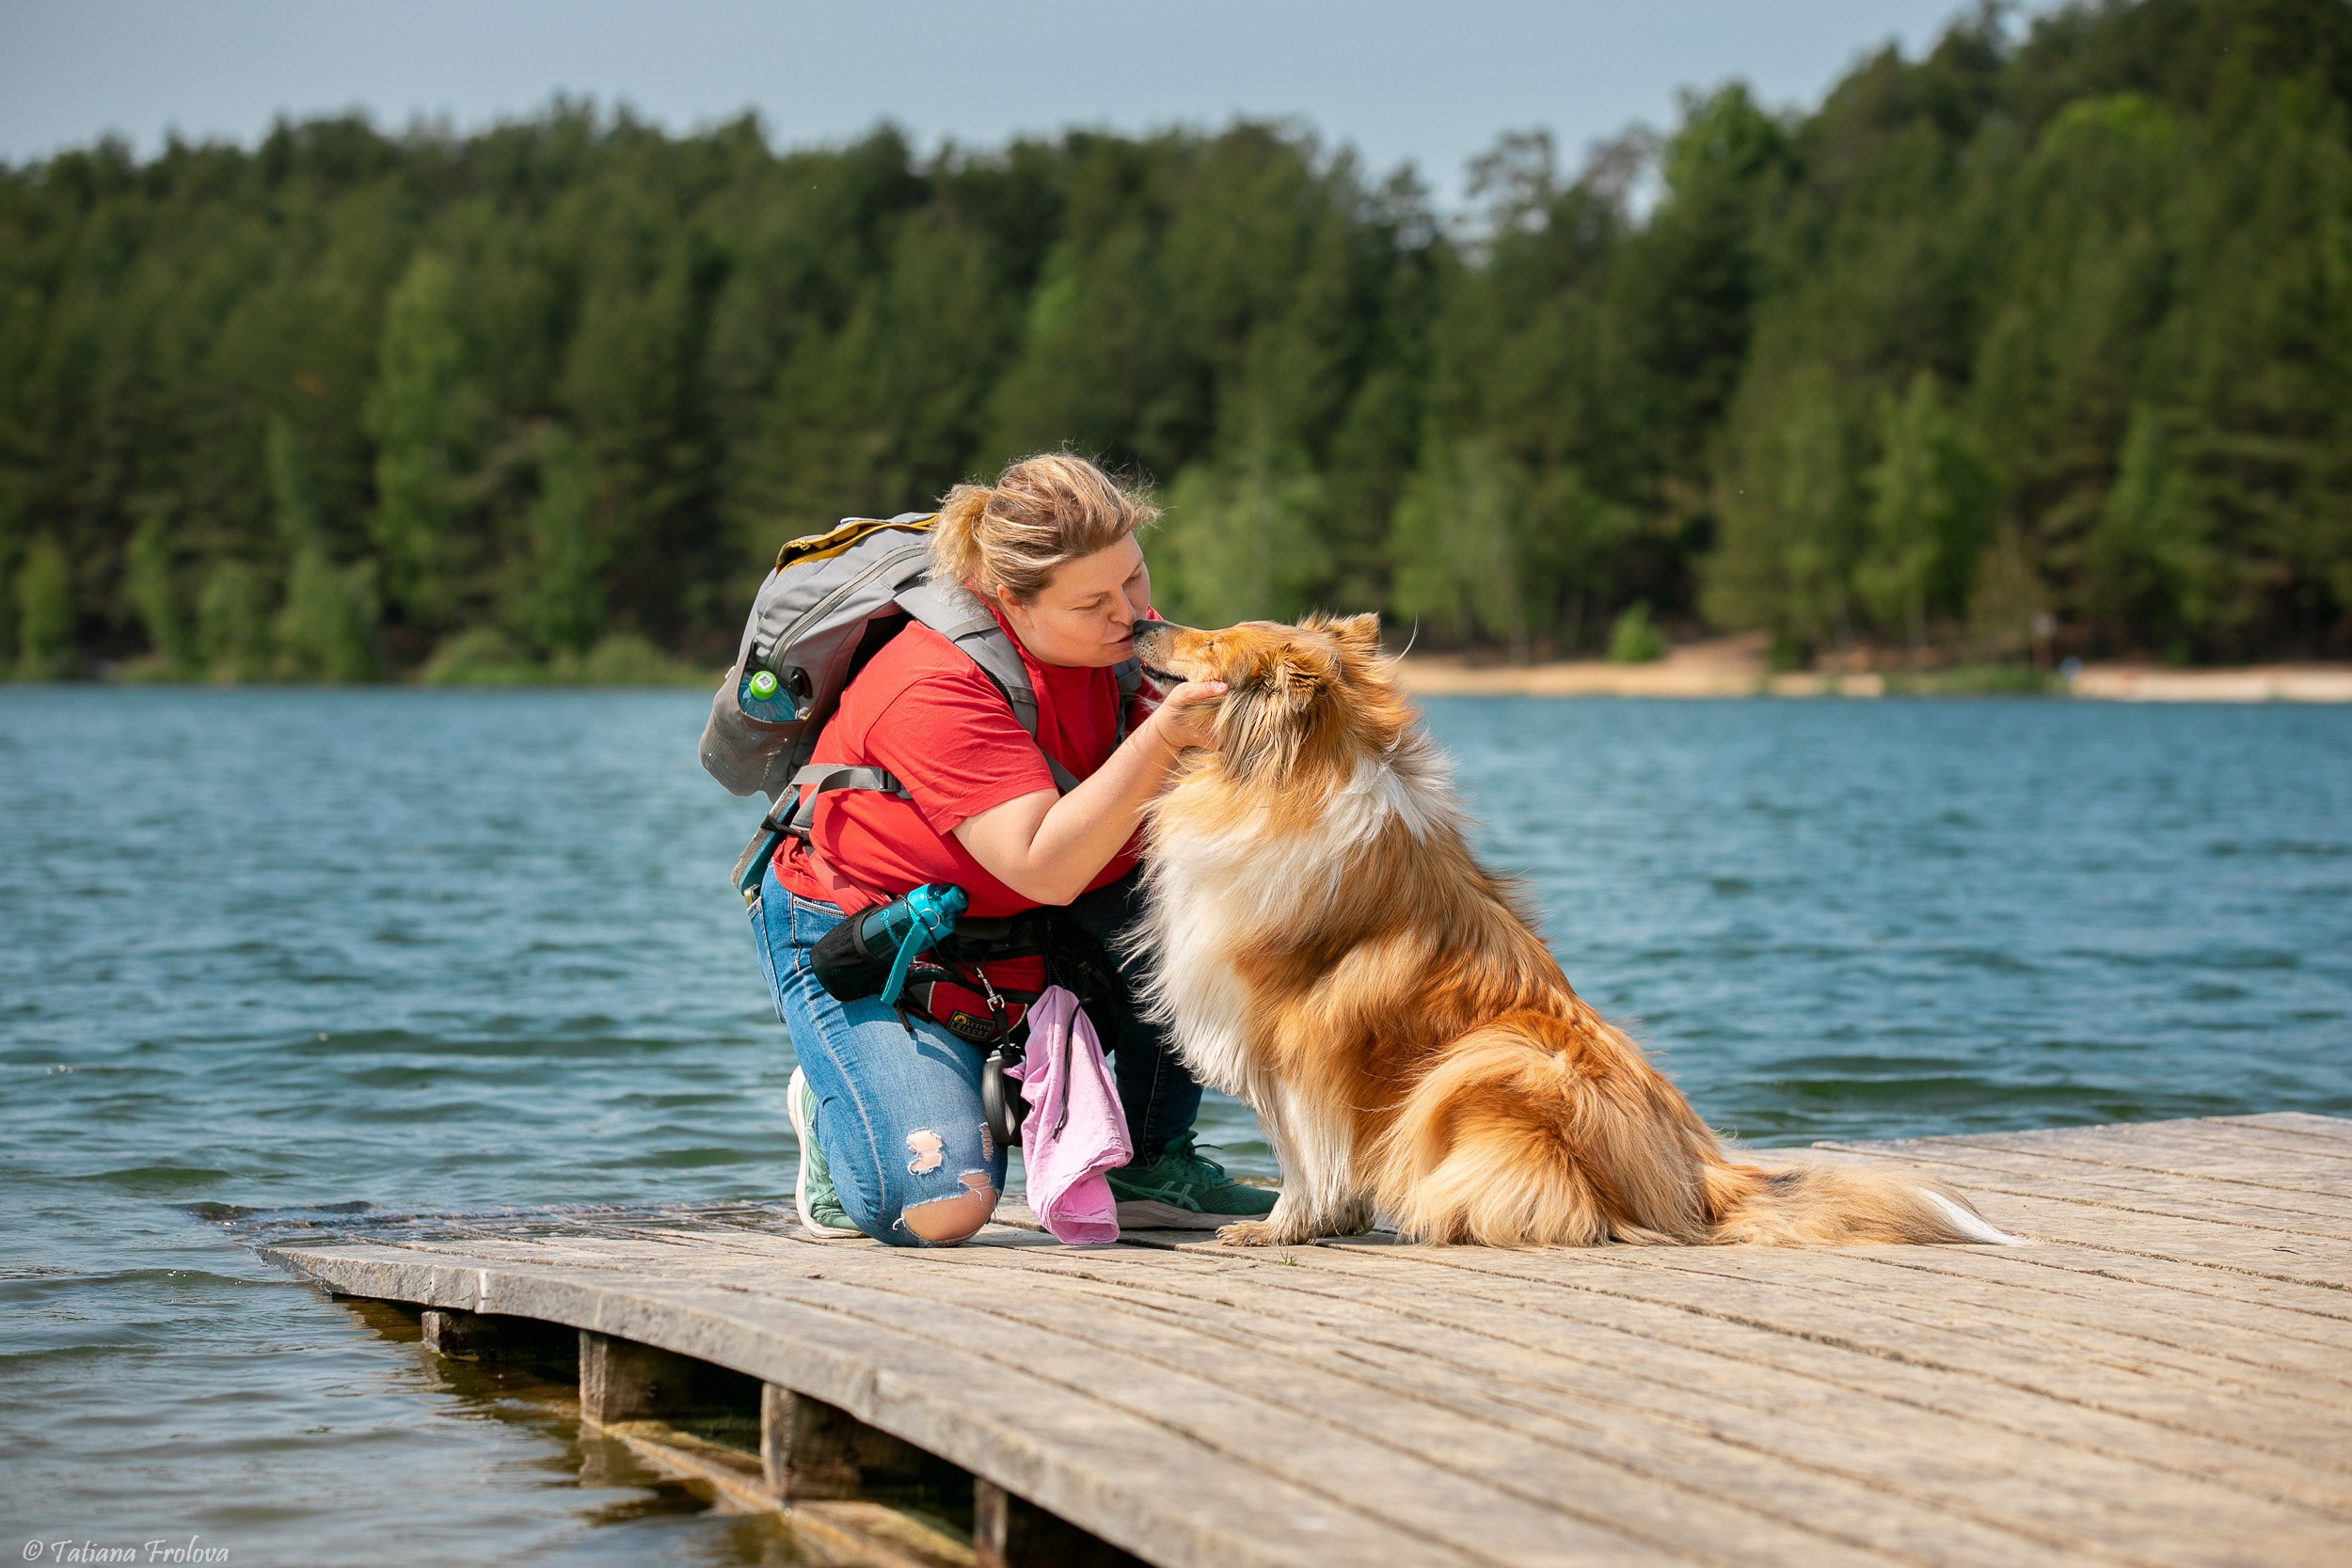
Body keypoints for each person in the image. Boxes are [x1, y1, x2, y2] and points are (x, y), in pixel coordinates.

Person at [746, 453, 1279, 1246]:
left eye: (1134, 579)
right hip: (884, 936)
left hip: (1028, 918)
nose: (1132, 613)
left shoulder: (1114, 631)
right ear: (1006, 602)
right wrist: (1167, 733)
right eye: (1094, 601)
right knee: (937, 1210)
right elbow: (1045, 862)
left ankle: (1143, 1158)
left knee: (1213, 908)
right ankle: (837, 1116)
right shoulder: (932, 682)